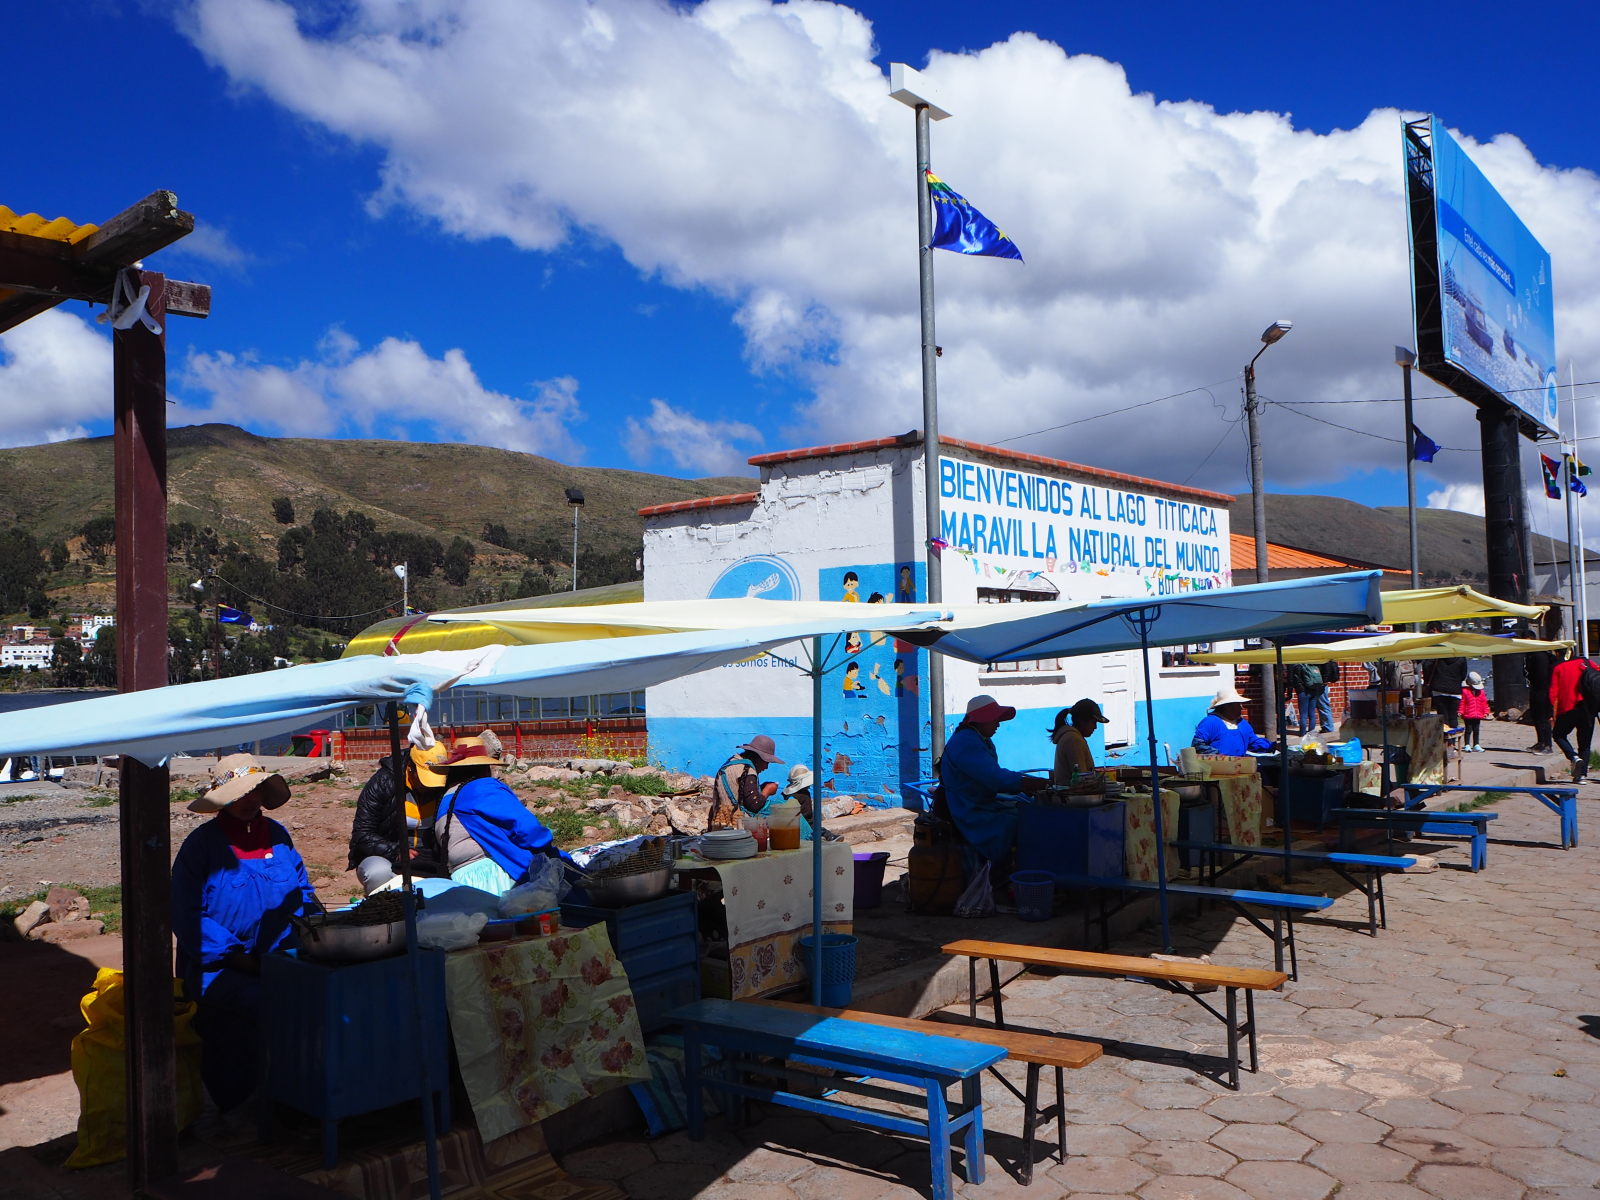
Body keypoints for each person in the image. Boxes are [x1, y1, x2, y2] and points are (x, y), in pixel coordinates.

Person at [171, 754, 316, 1112]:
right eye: (239, 794)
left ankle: (298, 1096)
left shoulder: (278, 836)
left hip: (282, 960)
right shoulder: (201, 847)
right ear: (223, 799)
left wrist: (317, 930)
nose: (249, 800)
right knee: (242, 1027)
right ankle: (242, 1109)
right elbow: (186, 915)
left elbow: (304, 892)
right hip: (220, 969)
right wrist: (239, 959)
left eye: (255, 791)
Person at [435, 736, 564, 895]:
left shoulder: (447, 796)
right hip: (491, 876)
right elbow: (527, 829)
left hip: (460, 880)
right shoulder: (481, 788)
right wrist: (549, 848)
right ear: (483, 767)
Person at [938, 695, 1048, 875]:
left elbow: (993, 775)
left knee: (1024, 809)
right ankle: (1007, 872)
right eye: (994, 719)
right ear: (982, 719)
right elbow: (994, 777)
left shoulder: (979, 739)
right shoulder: (966, 741)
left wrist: (1023, 783)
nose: (998, 724)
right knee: (1022, 822)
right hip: (968, 809)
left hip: (981, 803)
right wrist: (1026, 782)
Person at [346, 740, 452, 877]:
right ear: (410, 768)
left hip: (431, 856)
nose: (428, 786)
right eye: (424, 779)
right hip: (386, 855)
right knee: (378, 874)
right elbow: (362, 834)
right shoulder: (384, 782)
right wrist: (395, 851)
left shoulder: (448, 785)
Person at [709, 734, 784, 830]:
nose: (766, 767)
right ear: (759, 758)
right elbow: (754, 805)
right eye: (766, 762)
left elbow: (740, 792)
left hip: (720, 822)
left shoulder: (732, 762)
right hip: (736, 826)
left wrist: (760, 788)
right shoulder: (747, 770)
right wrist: (767, 791)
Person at [1549, 649, 1597, 784]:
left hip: (1568, 708)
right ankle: (1581, 776)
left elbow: (1553, 692)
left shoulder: (1559, 668)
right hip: (1588, 708)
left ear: (1558, 653)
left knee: (1558, 734)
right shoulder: (1588, 663)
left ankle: (1573, 757)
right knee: (1585, 743)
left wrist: (1551, 713)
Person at [1192, 689, 1275, 756]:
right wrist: (1219, 756)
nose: (1241, 708)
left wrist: (1272, 746)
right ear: (1227, 707)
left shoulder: (1242, 723)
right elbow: (1198, 745)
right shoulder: (1210, 722)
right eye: (1238, 704)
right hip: (1217, 769)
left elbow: (1253, 742)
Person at [1048, 698, 1110, 783]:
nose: (1095, 727)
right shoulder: (1074, 740)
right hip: (1073, 791)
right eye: (1093, 722)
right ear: (1081, 721)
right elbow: (1082, 780)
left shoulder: (1072, 737)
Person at [1423, 654, 1468, 726]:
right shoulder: (1461, 658)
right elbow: (1463, 675)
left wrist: (1430, 679)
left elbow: (1426, 665)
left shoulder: (1439, 655)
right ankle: (1453, 732)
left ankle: (1444, 732)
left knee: (1442, 717)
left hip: (1438, 689)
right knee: (1453, 717)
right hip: (1455, 689)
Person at [1460, 671, 1489, 752]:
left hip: (1478, 714)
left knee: (1476, 730)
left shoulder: (1481, 692)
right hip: (1468, 714)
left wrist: (1486, 711)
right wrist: (1460, 711)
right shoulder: (1465, 691)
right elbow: (1462, 702)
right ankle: (1467, 744)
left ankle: (1476, 744)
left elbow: (1484, 702)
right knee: (1468, 730)